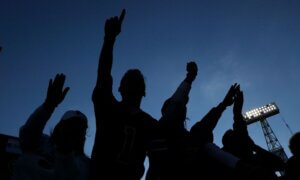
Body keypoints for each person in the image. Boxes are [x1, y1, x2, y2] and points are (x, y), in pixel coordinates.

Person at [91, 10, 158, 180]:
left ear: (143, 91)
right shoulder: (109, 107)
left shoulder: (150, 124)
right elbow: (104, 74)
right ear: (120, 89)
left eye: (137, 82)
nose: (133, 83)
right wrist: (109, 39)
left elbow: (158, 163)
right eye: (129, 80)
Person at [13, 74, 90, 180]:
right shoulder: (44, 143)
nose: (72, 131)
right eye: (69, 125)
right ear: (59, 128)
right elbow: (28, 135)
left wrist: (64, 152)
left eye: (78, 129)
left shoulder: (83, 163)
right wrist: (48, 105)